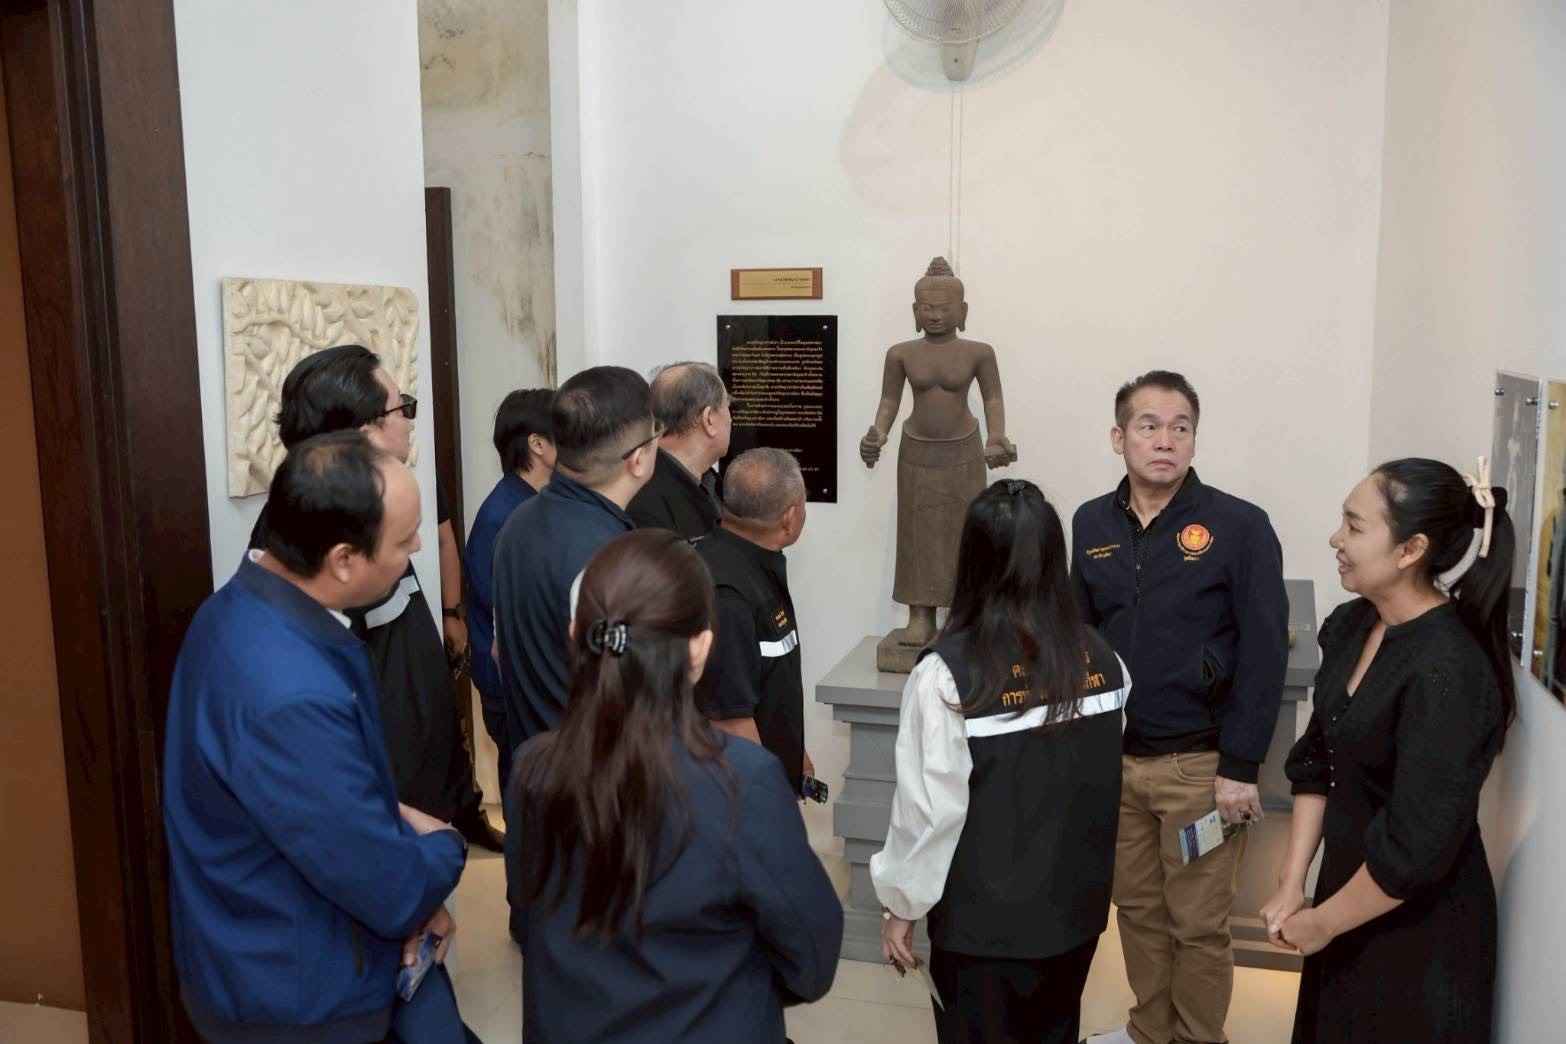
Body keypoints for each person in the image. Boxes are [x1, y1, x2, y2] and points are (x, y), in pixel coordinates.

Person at [164, 432, 475, 1043]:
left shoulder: (239, 608)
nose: (418, 547)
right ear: (343, 560)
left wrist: (390, 827)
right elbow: (389, 888)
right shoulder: (290, 693)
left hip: (285, 951)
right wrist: (445, 845)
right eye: (404, 540)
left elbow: (316, 807)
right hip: (299, 997)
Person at [503, 529, 843, 1041]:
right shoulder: (742, 783)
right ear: (700, 649)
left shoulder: (532, 768)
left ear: (575, 633)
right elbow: (812, 959)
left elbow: (537, 925)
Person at [1260, 458, 1515, 1043]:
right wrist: (1292, 882)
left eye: (1354, 526)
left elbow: (1415, 847)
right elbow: (1318, 761)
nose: (1336, 539)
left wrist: (1325, 922)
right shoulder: (1353, 624)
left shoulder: (1450, 670)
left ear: (1410, 550)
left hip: (1415, 927)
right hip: (1344, 897)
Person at [872, 479, 1132, 1044]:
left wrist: (902, 905)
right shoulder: (1103, 659)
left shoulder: (946, 677)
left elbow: (929, 812)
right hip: (1074, 915)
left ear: (971, 561)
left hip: (982, 930)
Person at [1072, 371, 1289, 1044]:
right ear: (1119, 438)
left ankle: (1197, 1038)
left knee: (1197, 924)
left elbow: (1265, 651)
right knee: (1136, 911)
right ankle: (1149, 1030)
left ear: (1194, 439)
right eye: (1149, 426)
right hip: (1117, 764)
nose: (1165, 441)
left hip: (1201, 768)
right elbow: (1080, 639)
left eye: (1180, 428)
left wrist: (1241, 766)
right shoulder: (1090, 523)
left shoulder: (1239, 526)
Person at [251, 345, 501, 851]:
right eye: (402, 407)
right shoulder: (314, 533)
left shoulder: (365, 513)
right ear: (365, 432)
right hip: (389, 820)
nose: (410, 422)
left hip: (418, 798)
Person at [859, 256, 1017, 669]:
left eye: (944, 308)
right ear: (915, 311)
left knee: (966, 531)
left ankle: (963, 616)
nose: (934, 315)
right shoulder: (901, 354)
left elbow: (993, 398)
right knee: (916, 535)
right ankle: (920, 617)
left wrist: (996, 435)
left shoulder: (979, 353)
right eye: (927, 308)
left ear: (962, 311)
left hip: (964, 450)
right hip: (916, 449)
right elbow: (889, 400)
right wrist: (877, 433)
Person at [492, 365, 657, 750]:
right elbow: (628, 696)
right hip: (592, 774)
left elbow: (500, 654)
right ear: (637, 459)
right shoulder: (611, 558)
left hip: (533, 763)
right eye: (656, 435)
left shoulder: (516, 523)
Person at [693, 447, 813, 794]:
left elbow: (769, 679)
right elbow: (731, 721)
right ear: (790, 517)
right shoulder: (728, 594)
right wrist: (770, 801)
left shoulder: (753, 562)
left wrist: (795, 752)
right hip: (740, 795)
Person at [464, 387, 555, 792]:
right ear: (537, 444)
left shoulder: (531, 503)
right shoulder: (504, 516)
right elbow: (505, 611)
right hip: (513, 688)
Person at [627, 360, 731, 538]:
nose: (730, 419)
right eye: (727, 407)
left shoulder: (709, 483)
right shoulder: (647, 506)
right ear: (709, 419)